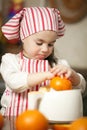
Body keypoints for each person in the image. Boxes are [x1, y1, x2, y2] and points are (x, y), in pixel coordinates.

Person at [0, 7, 86, 130]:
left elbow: (81, 88)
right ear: (23, 37)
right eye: (39, 43)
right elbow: (15, 82)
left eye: (51, 44)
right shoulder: (10, 61)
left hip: (47, 123)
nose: (46, 49)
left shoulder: (58, 64)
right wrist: (46, 75)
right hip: (12, 121)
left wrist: (74, 76)